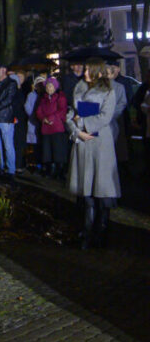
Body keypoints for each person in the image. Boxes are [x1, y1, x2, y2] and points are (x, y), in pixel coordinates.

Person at [67, 60, 121, 249]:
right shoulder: (79, 87)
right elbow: (70, 113)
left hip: (100, 144)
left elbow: (105, 116)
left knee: (102, 190)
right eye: (85, 68)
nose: (84, 72)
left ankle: (102, 231)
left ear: (98, 72)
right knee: (86, 191)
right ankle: (86, 231)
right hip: (82, 142)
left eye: (89, 69)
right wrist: (76, 130)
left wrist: (82, 122)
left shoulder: (109, 90)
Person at [35, 76, 68, 180]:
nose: (49, 88)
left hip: (57, 127)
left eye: (51, 86)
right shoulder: (43, 99)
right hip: (46, 128)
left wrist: (51, 117)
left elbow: (62, 110)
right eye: (48, 86)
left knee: (58, 150)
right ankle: (49, 170)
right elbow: (38, 111)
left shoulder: (60, 97)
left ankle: (60, 171)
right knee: (47, 150)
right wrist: (43, 118)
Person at [105, 62, 129, 168]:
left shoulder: (119, 86)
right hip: (104, 121)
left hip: (113, 120)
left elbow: (122, 102)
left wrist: (111, 114)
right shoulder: (97, 87)